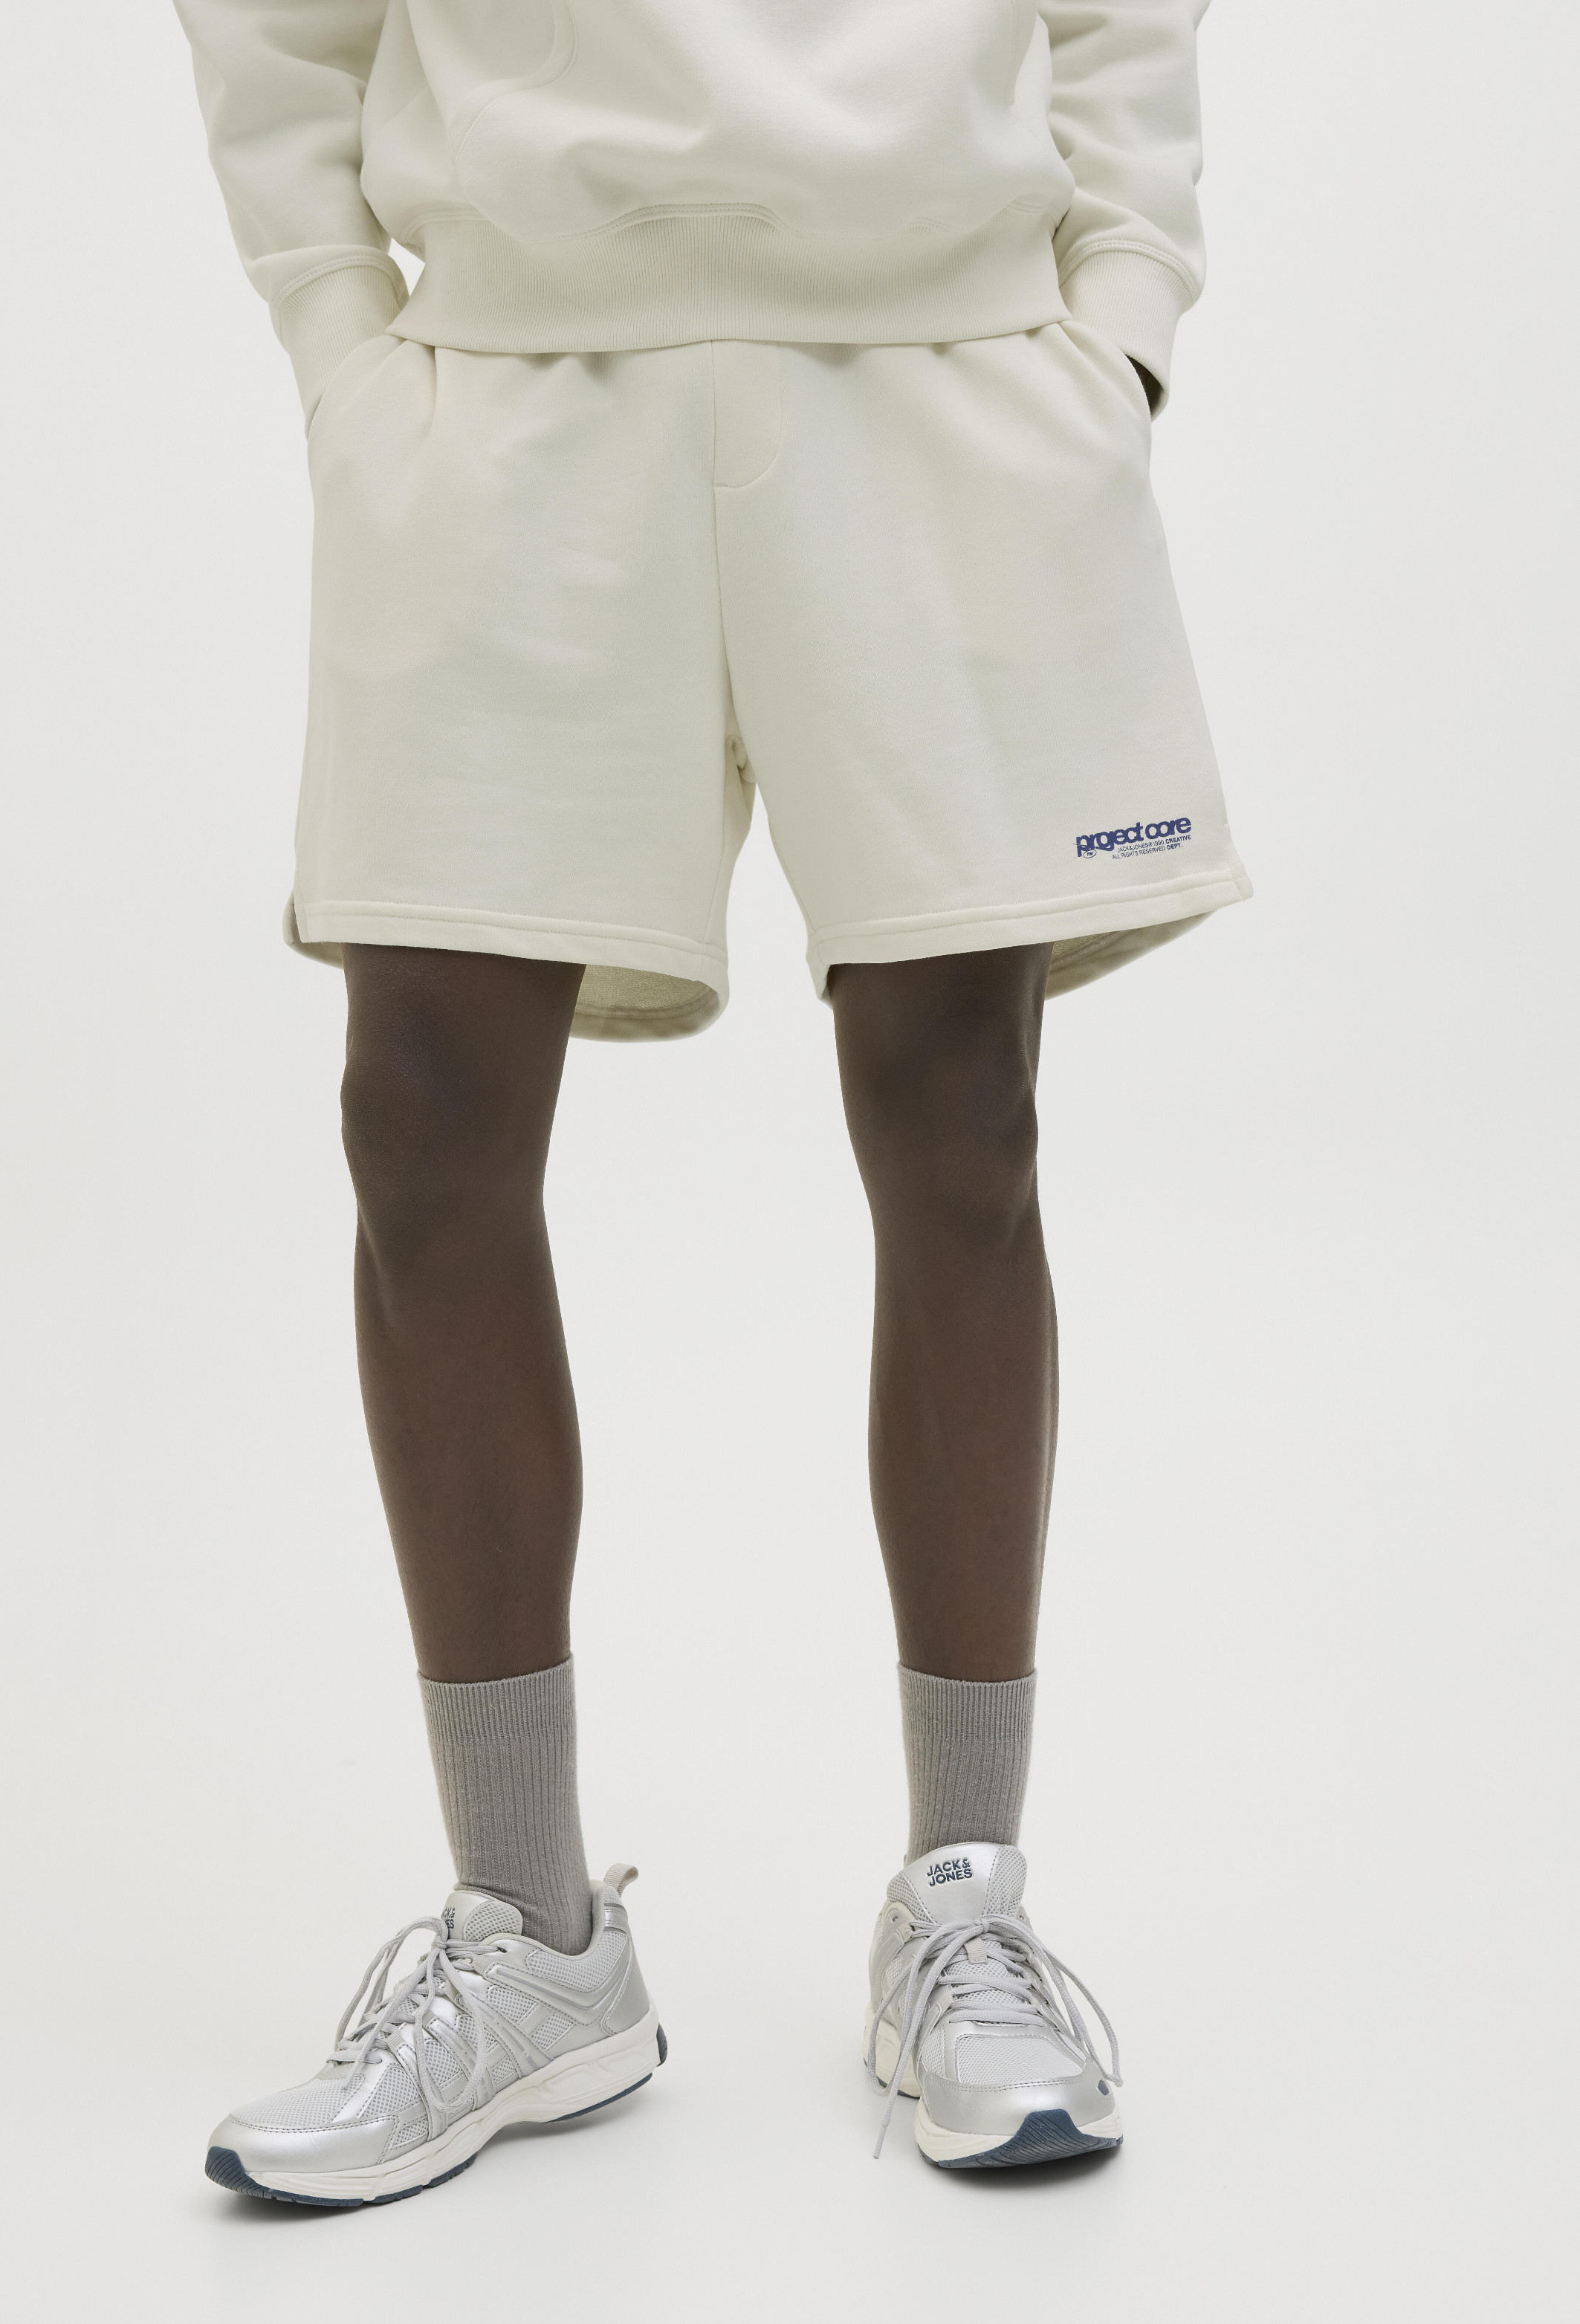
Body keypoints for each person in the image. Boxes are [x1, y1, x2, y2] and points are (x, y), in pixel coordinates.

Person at [174, 0, 1249, 2205]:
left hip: (945, 370)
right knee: (420, 1121)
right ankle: (531, 1939)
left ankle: (964, 1906)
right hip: (509, 385)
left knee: (961, 1122)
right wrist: (340, 339)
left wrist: (1120, 317)